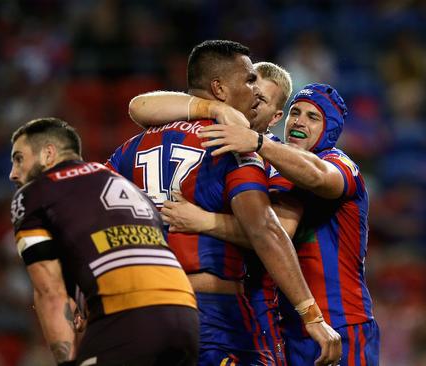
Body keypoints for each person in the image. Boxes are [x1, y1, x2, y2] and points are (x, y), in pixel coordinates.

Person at [107, 40, 341, 366]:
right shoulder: (233, 146)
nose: (254, 90)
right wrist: (311, 314)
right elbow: (267, 232)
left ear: (275, 117)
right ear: (219, 89)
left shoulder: (132, 146)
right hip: (213, 313)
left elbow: (93, 219)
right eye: (248, 81)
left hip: (139, 309)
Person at [194, 83, 380, 365]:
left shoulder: (339, 162)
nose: (299, 121)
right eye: (295, 112)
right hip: (292, 327)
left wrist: (203, 220)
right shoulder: (278, 171)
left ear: (329, 129)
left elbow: (317, 178)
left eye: (312, 117)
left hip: (341, 324)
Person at [128, 61, 296, 365]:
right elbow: (140, 106)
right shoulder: (210, 135)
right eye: (250, 88)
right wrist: (211, 108)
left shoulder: (276, 159)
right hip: (201, 299)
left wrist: (205, 221)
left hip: (259, 302)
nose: (252, 100)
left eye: (261, 99)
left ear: (275, 117)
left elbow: (279, 234)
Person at [8, 117, 199, 366]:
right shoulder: (125, 185)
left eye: (19, 158)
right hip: (187, 318)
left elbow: (50, 294)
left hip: (128, 320)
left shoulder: (35, 193)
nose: (13, 173)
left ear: (48, 154)